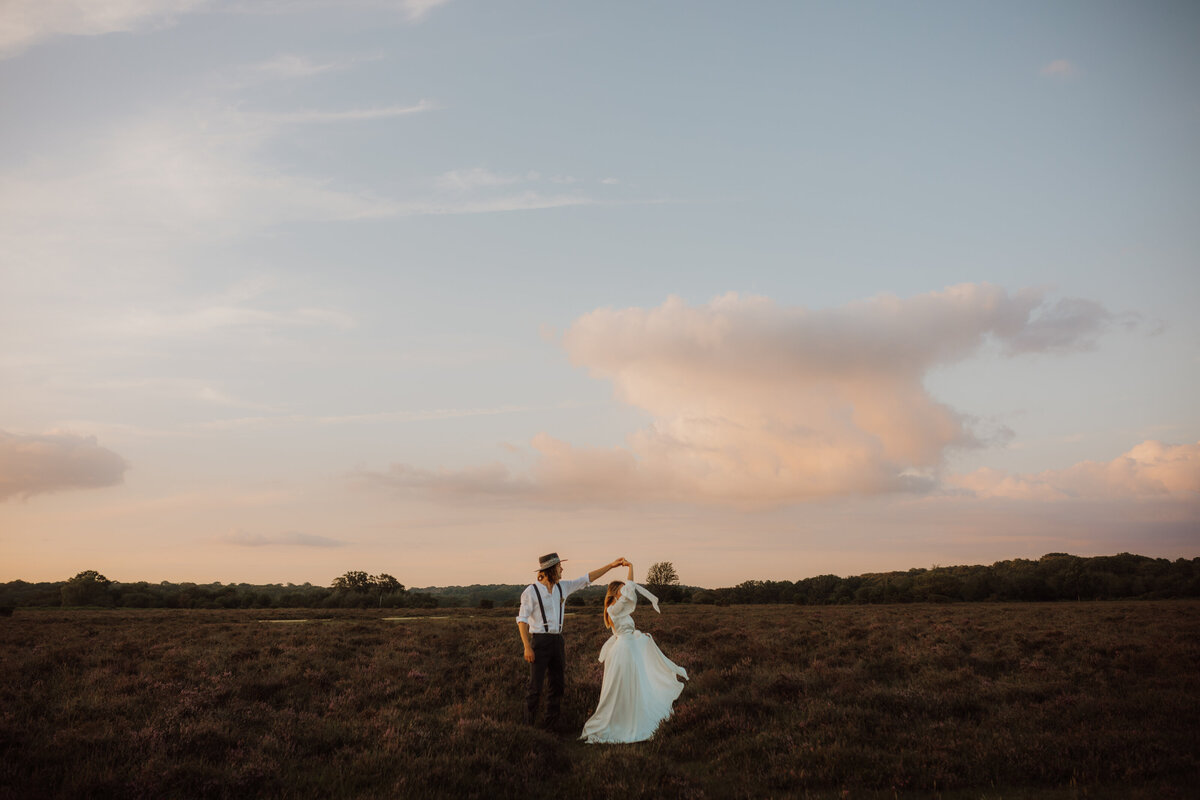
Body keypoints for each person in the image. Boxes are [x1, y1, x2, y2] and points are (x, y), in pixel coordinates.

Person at [580, 560, 688, 744]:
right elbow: (631, 590)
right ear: (616, 592)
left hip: (628, 647)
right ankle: (623, 721)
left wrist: (639, 634)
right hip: (624, 651)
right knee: (625, 686)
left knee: (633, 684)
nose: (626, 590)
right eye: (622, 588)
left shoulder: (616, 608)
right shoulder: (614, 608)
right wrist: (631, 567)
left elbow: (627, 627)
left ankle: (630, 715)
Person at [516, 552, 627, 731]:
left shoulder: (563, 587)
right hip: (540, 641)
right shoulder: (531, 592)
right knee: (535, 687)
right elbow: (522, 620)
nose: (562, 569)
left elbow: (587, 578)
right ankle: (527, 729)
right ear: (550, 570)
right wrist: (527, 646)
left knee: (557, 686)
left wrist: (611, 566)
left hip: (557, 641)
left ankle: (550, 729)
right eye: (559, 567)